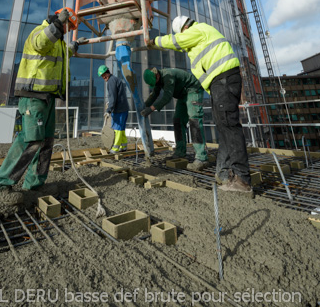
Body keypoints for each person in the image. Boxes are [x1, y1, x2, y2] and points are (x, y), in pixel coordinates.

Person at [150, 16, 252, 195]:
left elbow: (175, 41)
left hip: (222, 80)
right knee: (224, 127)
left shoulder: (196, 31)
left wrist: (153, 41)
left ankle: (241, 179)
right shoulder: (200, 37)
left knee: (227, 126)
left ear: (183, 29)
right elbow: (156, 94)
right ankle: (224, 173)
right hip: (220, 83)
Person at [0, 7, 79, 202]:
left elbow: (59, 56)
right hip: (33, 96)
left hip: (48, 98)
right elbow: (40, 44)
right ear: (60, 20)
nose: (68, 30)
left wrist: (73, 48)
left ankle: (34, 185)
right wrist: (56, 25)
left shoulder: (59, 42)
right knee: (31, 140)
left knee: (46, 142)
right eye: (68, 26)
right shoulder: (40, 32)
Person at [141, 68, 207, 171]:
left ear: (157, 76)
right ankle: (180, 152)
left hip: (193, 90)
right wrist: (144, 106)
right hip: (182, 95)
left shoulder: (168, 76)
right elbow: (154, 95)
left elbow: (167, 97)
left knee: (194, 120)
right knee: (177, 120)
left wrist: (151, 109)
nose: (156, 84)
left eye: (156, 81)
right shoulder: (157, 79)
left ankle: (201, 158)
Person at [98, 65, 129, 153]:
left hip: (119, 110)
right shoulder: (115, 79)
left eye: (104, 75)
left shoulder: (111, 81)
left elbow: (113, 97)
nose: (103, 78)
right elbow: (115, 96)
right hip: (124, 108)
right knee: (122, 129)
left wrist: (108, 110)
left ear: (107, 73)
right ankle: (123, 146)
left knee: (117, 129)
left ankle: (115, 148)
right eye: (102, 76)